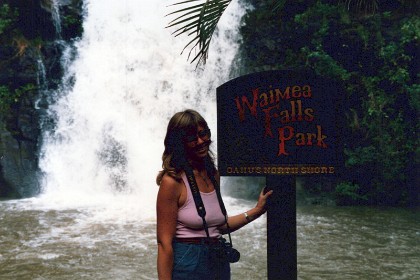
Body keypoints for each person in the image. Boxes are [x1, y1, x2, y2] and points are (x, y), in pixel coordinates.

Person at [156, 109, 273, 280]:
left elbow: (219, 226)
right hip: (188, 261)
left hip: (217, 259)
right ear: (179, 142)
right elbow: (164, 244)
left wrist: (257, 210)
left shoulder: (212, 174)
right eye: (192, 138)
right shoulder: (172, 182)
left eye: (204, 134)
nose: (201, 141)